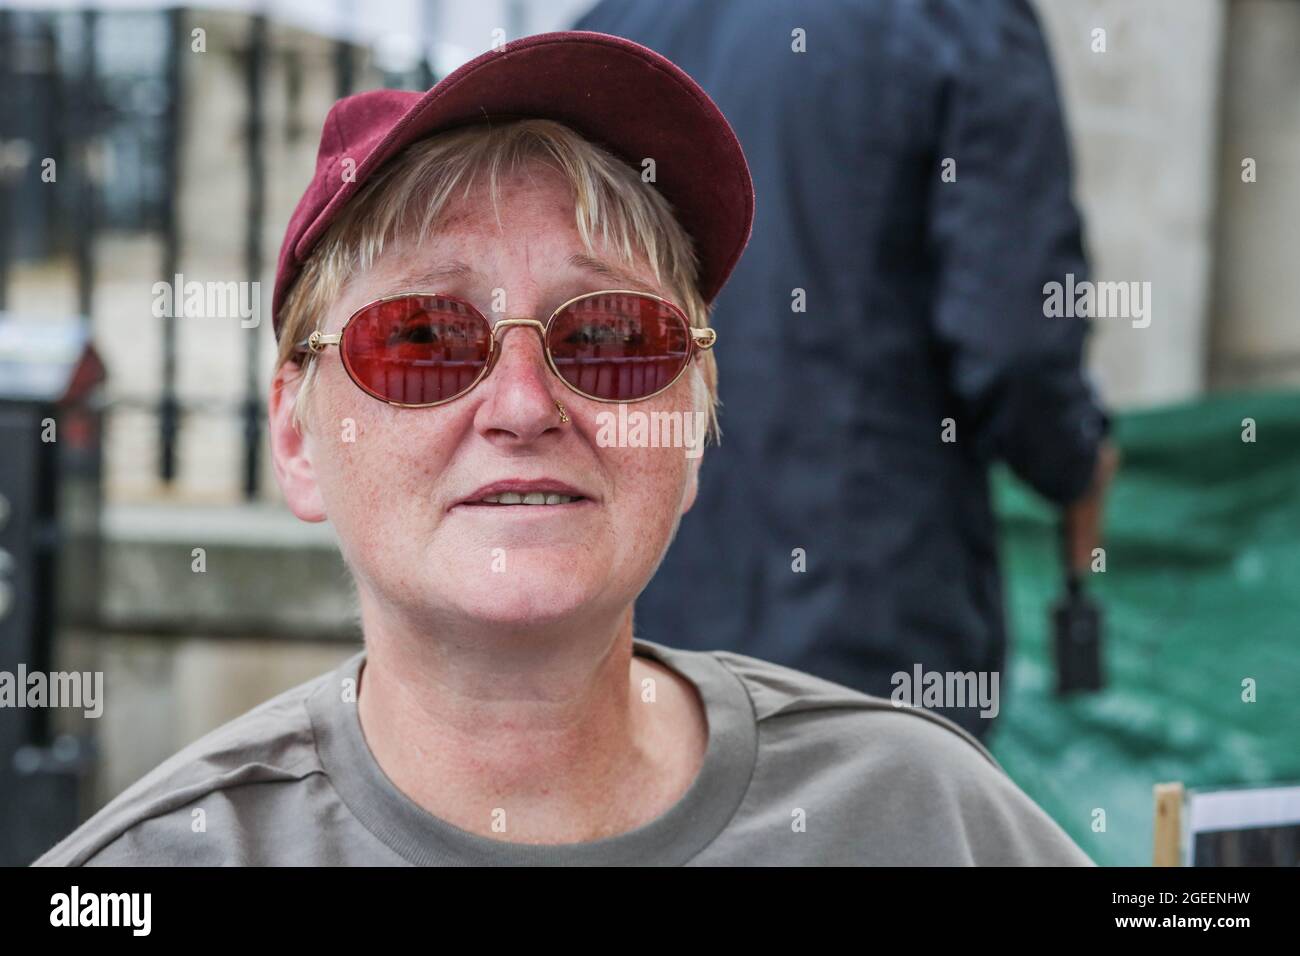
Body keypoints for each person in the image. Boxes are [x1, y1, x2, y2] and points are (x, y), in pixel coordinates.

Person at [35, 31, 1090, 866]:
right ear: (296, 435)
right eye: (422, 339)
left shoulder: (924, 817)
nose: (524, 402)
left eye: (612, 337)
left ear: (695, 416)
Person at [572, 0, 1118, 739]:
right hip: (869, 610)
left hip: (637, 612)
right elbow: (1016, 337)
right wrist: (1075, 459)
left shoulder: (613, 29)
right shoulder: (961, 19)